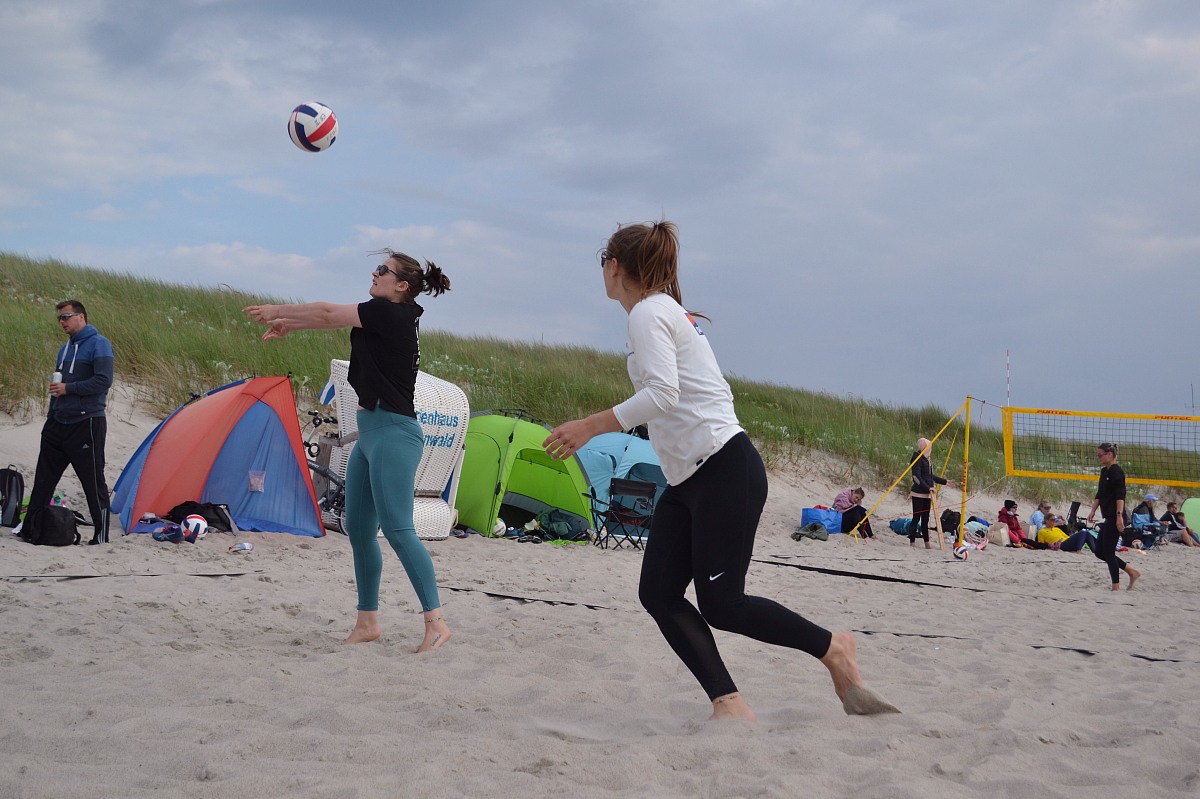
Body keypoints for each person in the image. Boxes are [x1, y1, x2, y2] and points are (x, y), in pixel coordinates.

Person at [542, 220, 897, 721]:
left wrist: (589, 426)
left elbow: (662, 394)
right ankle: (729, 704)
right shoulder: (662, 311)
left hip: (722, 468)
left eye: (602, 262)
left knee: (724, 604)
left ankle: (834, 647)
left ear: (614, 265)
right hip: (691, 478)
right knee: (658, 593)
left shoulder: (649, 312)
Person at [243, 250, 452, 652]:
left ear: (401, 286)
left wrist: (277, 310)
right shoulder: (385, 313)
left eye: (383, 270)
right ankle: (367, 622)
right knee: (357, 528)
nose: (374, 273)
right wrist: (289, 324)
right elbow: (331, 319)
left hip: (394, 434)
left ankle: (436, 624)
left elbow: (326, 313)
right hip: (371, 434)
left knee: (398, 530)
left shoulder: (391, 313)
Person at [26, 300, 114, 545]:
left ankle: (101, 534)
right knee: (43, 480)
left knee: (93, 481)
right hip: (58, 423)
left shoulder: (99, 344)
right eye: (59, 318)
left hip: (86, 422)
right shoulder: (64, 349)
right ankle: (31, 529)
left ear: (81, 317)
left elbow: (103, 381)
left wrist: (69, 388)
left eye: (66, 317)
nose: (62, 322)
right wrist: (51, 415)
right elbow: (57, 387)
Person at [1085, 442, 1141, 591]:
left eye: (1100, 455)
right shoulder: (1104, 471)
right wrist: (1093, 510)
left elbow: (1120, 496)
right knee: (1099, 552)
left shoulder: (1117, 472)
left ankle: (1115, 586)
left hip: (1116, 516)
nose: (1098, 457)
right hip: (1108, 516)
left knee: (1108, 552)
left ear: (1109, 454)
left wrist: (1119, 516)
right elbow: (1100, 493)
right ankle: (1131, 571)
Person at [909, 438, 955, 549]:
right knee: (916, 518)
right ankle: (912, 541)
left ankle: (927, 542)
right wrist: (928, 487)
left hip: (928, 495)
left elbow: (930, 476)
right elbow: (916, 477)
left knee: (925, 519)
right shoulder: (917, 457)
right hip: (918, 494)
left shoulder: (927, 459)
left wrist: (944, 481)